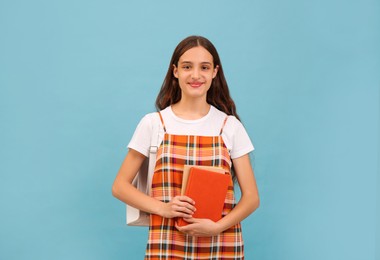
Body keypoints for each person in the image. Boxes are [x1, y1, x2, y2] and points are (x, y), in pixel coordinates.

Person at [112, 35, 260, 259]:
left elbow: (251, 198)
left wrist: (218, 227)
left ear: (214, 72)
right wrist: (163, 208)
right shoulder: (153, 124)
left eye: (204, 67)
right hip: (167, 242)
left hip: (221, 243)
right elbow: (120, 186)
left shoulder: (229, 126)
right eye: (187, 67)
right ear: (176, 71)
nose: (196, 75)